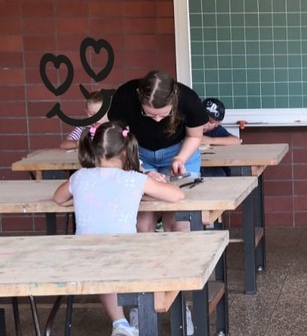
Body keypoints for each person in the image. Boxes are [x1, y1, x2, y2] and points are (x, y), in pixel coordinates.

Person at [52, 122, 184, 336]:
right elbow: (177, 195)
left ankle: (120, 323)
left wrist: (76, 198)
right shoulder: (135, 179)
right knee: (156, 251)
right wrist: (145, 187)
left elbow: (58, 198)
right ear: (125, 151)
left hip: (83, 256)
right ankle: (156, 316)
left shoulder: (80, 176)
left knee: (103, 269)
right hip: (125, 254)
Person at [106, 70, 211, 232]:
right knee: (142, 224)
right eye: (149, 114)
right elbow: (118, 140)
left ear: (174, 100)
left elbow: (195, 136)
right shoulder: (125, 96)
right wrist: (141, 169)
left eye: (164, 115)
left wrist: (180, 159)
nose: (157, 120)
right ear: (139, 98)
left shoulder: (188, 99)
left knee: (180, 223)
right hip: (138, 152)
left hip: (179, 151)